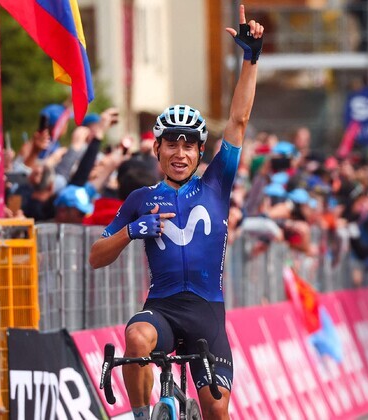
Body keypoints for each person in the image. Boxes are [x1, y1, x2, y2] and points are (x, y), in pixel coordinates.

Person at [88, 6, 263, 419]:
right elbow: (96, 256)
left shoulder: (216, 184)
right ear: (157, 149)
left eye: (188, 146)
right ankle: (141, 416)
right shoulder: (140, 198)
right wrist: (132, 231)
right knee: (136, 338)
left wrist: (250, 59)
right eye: (172, 144)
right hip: (163, 309)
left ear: (200, 152)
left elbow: (238, 120)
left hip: (207, 314)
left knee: (216, 411)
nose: (180, 153)